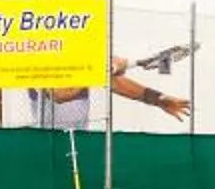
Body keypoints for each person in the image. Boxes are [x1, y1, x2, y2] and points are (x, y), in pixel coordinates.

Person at [33, 53, 191, 132]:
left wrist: (158, 99)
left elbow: (117, 83)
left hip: (79, 140)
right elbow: (60, 94)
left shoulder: (81, 67)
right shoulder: (33, 65)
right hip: (45, 144)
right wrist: (96, 71)